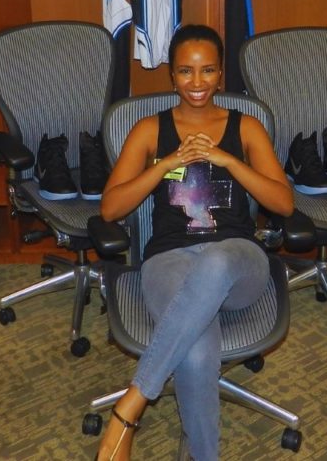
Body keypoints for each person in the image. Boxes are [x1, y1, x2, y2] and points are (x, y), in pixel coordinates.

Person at [96, 24, 294, 460]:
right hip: (170, 259)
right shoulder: (150, 129)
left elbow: (282, 202)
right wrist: (166, 163)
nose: (197, 82)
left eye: (207, 71)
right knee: (198, 354)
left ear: (221, 74)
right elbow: (111, 208)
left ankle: (131, 405)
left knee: (219, 261)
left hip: (237, 260)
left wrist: (226, 159)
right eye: (186, 71)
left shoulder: (246, 127)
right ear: (172, 75)